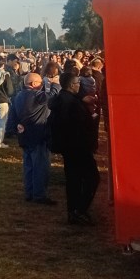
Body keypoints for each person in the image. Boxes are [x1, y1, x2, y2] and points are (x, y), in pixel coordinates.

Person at [49, 72, 100, 225]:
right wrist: (91, 120)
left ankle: (74, 211)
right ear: (72, 85)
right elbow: (76, 126)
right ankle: (79, 209)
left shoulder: (62, 99)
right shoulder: (71, 103)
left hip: (69, 147)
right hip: (78, 147)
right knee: (91, 178)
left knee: (74, 180)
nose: (79, 85)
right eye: (78, 83)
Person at [6, 73, 55, 205]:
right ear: (34, 84)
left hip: (24, 136)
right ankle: (39, 195)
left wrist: (14, 129)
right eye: (40, 83)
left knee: (28, 166)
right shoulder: (38, 95)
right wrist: (54, 84)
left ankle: (29, 192)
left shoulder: (18, 96)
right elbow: (52, 97)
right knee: (40, 167)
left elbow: (12, 116)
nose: (42, 85)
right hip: (38, 136)